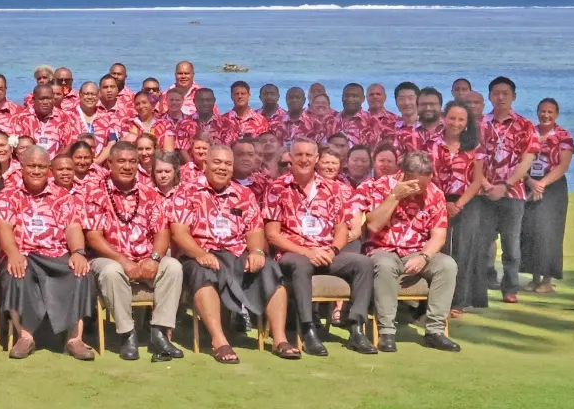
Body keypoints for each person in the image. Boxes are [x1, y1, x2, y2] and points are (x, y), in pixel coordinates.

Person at [265, 139, 377, 356]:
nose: (304, 159)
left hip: (327, 253)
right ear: (291, 158)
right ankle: (308, 331)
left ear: (316, 159)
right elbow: (272, 234)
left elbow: (342, 230)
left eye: (309, 155)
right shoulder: (277, 188)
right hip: (294, 253)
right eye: (299, 155)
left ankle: (356, 328)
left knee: (363, 263)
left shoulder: (333, 189)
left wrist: (332, 251)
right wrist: (308, 252)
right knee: (301, 265)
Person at [170, 145, 279, 363]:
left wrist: (257, 251)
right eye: (217, 162)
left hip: (236, 252)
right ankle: (219, 340)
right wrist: (199, 253)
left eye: (227, 164)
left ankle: (280, 339)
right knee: (204, 273)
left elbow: (255, 230)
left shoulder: (244, 194)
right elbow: (179, 232)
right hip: (200, 253)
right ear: (206, 164)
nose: (222, 168)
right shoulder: (186, 191)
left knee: (270, 268)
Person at [84, 143, 185, 361]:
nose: (127, 166)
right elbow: (93, 237)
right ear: (109, 163)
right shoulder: (96, 191)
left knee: (174, 267)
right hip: (110, 258)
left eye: (133, 161)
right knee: (111, 271)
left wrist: (155, 258)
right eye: (121, 161)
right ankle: (127, 334)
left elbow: (161, 231)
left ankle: (159, 332)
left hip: (145, 257)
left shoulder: (149, 191)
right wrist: (124, 262)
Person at [0, 146, 95, 360]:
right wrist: (12, 253)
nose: (37, 170)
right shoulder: (9, 195)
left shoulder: (62, 196)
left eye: (42, 166)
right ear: (21, 167)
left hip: (56, 254)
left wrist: (77, 252)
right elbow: (3, 227)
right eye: (32, 165)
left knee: (81, 272)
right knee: (15, 273)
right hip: (24, 254)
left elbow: (73, 227)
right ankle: (25, 336)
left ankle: (74, 339)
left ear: (49, 169)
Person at [355, 152, 461, 352]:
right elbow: (374, 225)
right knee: (385, 265)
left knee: (447, 265)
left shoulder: (434, 193)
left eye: (425, 184)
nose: (420, 190)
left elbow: (438, 235)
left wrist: (424, 256)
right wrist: (395, 196)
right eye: (416, 185)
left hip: (417, 251)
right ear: (404, 175)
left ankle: (435, 331)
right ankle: (386, 331)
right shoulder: (378, 187)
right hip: (382, 249)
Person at [475, 77, 538, 304]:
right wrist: (485, 184)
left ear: (513, 96)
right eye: (496, 93)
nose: (500, 97)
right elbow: (473, 158)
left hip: (513, 193)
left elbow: (527, 159)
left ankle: (510, 288)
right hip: (484, 192)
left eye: (505, 93)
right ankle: (479, 286)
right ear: (490, 96)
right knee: (482, 243)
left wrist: (507, 184)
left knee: (511, 245)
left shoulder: (525, 125)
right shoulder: (480, 124)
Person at [433, 103, 487, 316]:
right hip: (439, 201)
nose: (456, 123)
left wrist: (459, 205)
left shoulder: (475, 148)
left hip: (467, 202)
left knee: (464, 251)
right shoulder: (433, 145)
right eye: (452, 118)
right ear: (444, 118)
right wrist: (444, 203)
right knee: (442, 251)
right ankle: (439, 301)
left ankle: (458, 301)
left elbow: (477, 181)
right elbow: (431, 177)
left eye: (461, 120)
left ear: (467, 123)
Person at [521, 98, 573, 295]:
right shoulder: (528, 133)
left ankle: (547, 279)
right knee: (529, 230)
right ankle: (533, 277)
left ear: (556, 114)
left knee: (548, 232)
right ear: (537, 112)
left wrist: (542, 184)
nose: (546, 115)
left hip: (552, 187)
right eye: (543, 111)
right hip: (528, 183)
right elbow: (518, 160)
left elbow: (563, 165)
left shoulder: (563, 136)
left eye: (550, 112)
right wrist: (530, 181)